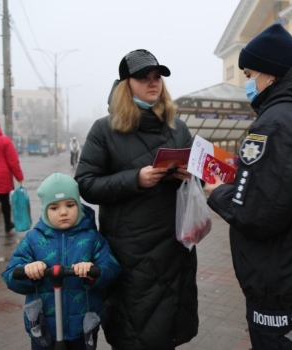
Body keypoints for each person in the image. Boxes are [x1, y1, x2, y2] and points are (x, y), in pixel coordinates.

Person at [204, 23, 292, 350]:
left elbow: (258, 214)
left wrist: (217, 192)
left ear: (272, 74)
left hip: (278, 283)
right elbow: (285, 185)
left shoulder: (276, 123)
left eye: (250, 74)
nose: (248, 83)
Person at [74, 49, 198, 350]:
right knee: (134, 333)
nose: (152, 83)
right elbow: (86, 184)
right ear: (125, 85)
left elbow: (201, 171)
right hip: (130, 253)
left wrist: (190, 174)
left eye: (157, 77)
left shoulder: (177, 128)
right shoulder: (105, 129)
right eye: (143, 78)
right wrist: (135, 179)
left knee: (167, 331)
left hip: (174, 247)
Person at [2, 173, 122, 350]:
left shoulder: (92, 238)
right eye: (54, 207)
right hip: (43, 327)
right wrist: (27, 271)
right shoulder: (33, 240)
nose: (63, 212)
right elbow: (10, 275)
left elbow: (111, 268)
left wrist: (93, 272)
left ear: (79, 205)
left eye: (70, 205)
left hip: (82, 327)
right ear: (45, 210)